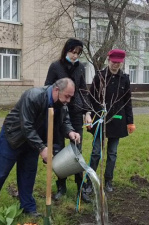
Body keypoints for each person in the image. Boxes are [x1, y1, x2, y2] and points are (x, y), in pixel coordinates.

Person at [0, 78, 80, 217]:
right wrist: (42, 148)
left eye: (71, 97)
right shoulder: (33, 96)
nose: (68, 100)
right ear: (56, 90)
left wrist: (70, 131)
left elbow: (65, 120)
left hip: (33, 142)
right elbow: (26, 126)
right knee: (1, 172)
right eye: (67, 96)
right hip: (13, 138)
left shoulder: (61, 103)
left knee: (28, 174)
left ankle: (28, 208)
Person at [44, 38, 91, 202]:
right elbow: (47, 87)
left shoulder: (81, 68)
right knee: (58, 151)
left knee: (77, 151)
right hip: (58, 114)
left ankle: (81, 188)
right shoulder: (55, 66)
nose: (75, 55)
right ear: (66, 50)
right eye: (73, 51)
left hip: (76, 112)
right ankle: (61, 186)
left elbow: (84, 91)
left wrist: (88, 112)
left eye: (78, 53)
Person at [85, 49, 136, 193]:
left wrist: (130, 122)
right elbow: (91, 98)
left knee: (112, 154)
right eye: (114, 62)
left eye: (119, 63)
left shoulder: (124, 79)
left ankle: (108, 181)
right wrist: (89, 114)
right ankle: (90, 181)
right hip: (100, 120)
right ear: (109, 60)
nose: (116, 65)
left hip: (117, 122)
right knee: (96, 152)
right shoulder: (100, 77)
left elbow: (127, 102)